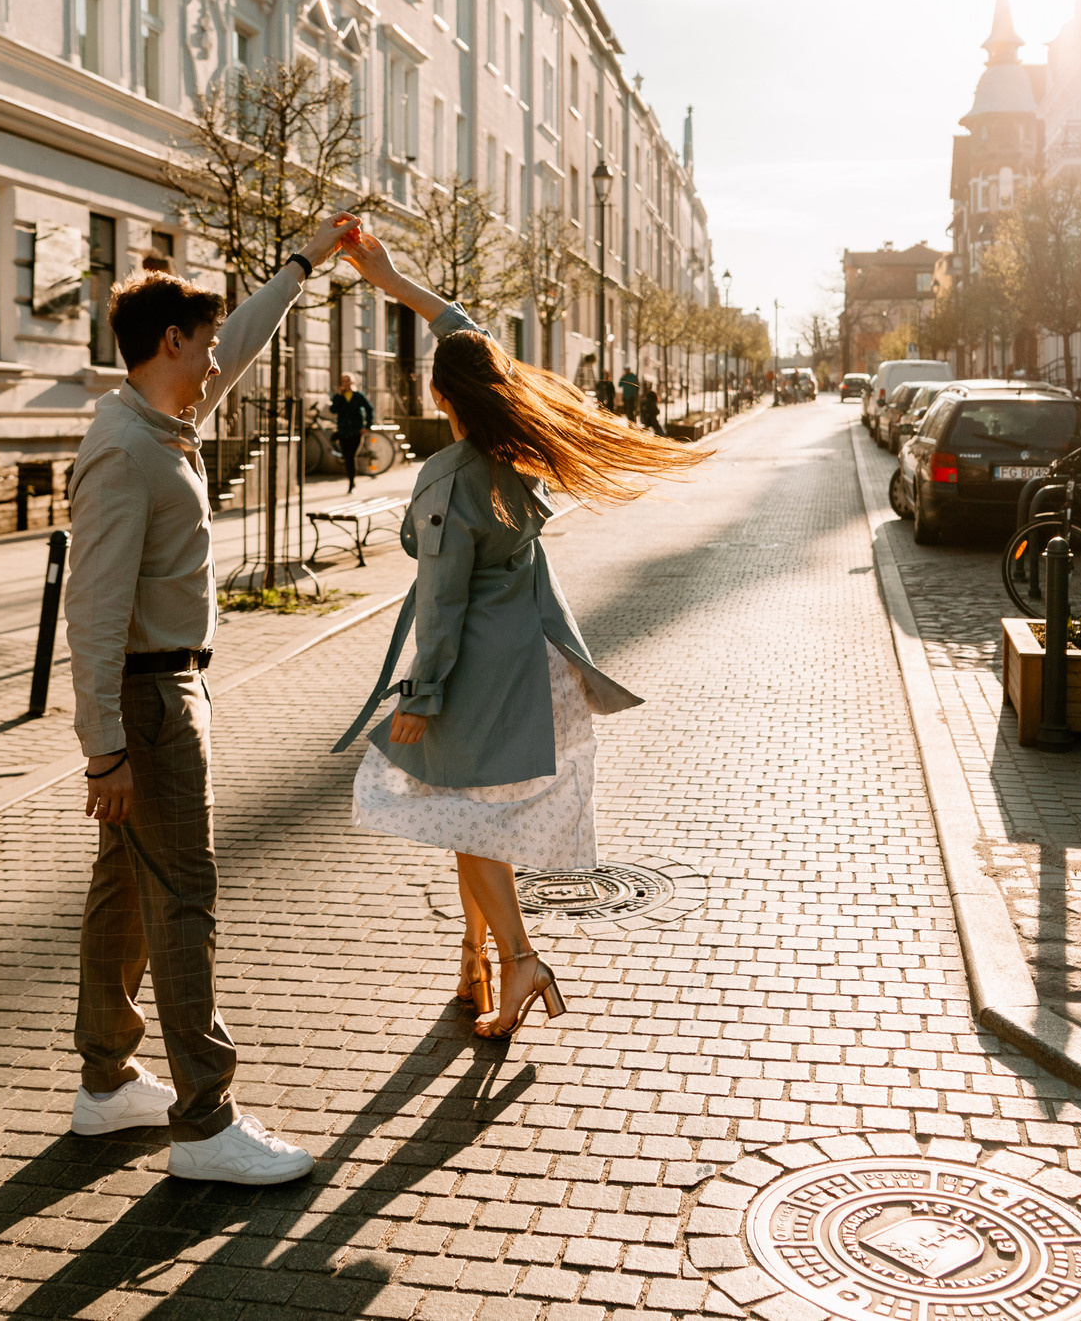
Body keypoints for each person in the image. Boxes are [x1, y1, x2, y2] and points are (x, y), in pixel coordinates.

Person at [332, 232, 705, 1039]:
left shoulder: (449, 477)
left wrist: (421, 696)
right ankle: (472, 958)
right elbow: (468, 336)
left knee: (463, 819)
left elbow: (441, 605)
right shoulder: (518, 447)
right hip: (542, 661)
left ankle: (519, 958)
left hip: (483, 671)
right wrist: (394, 280)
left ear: (440, 398)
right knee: (468, 818)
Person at [61, 212, 357, 1185]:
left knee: (125, 896)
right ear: (170, 343)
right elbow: (92, 612)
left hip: (167, 687)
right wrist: (102, 748)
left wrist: (302, 260)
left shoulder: (166, 419)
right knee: (182, 897)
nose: (219, 356)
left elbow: (251, 335)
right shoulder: (125, 451)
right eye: (205, 340)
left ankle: (106, 1087)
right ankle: (205, 1122)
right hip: (151, 699)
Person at [330, 373, 374, 493]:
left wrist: (367, 426)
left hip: (356, 431)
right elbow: (333, 410)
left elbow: (369, 409)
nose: (346, 383)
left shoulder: (358, 396)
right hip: (343, 431)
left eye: (348, 381)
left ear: (352, 382)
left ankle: (351, 482)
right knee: (347, 457)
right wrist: (338, 396)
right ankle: (351, 481)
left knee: (351, 456)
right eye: (344, 381)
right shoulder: (339, 396)